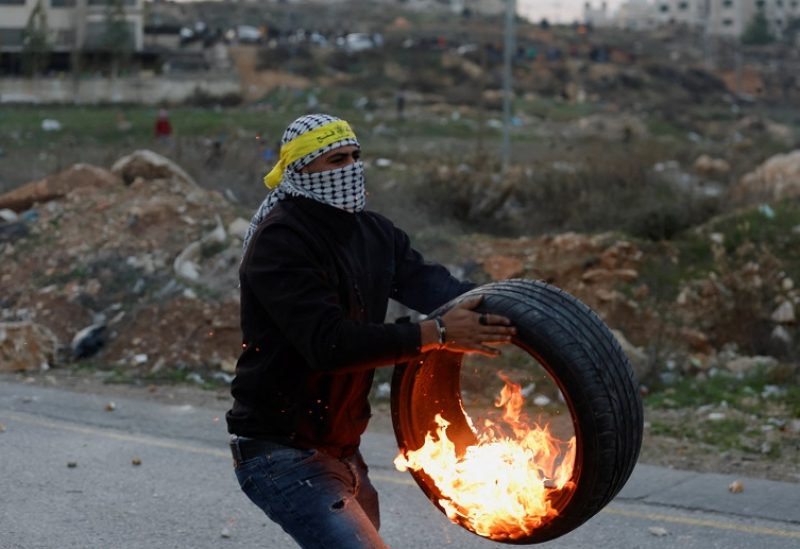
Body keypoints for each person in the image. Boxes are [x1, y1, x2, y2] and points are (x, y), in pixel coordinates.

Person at [226, 113, 516, 549]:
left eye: (355, 157)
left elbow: (438, 289)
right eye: (335, 160)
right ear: (300, 171)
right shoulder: (280, 241)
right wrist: (436, 333)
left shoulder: (375, 233)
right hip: (279, 451)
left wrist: (524, 310)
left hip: (342, 450)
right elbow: (330, 343)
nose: (350, 169)